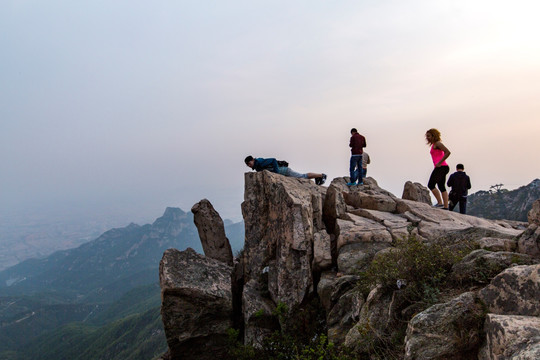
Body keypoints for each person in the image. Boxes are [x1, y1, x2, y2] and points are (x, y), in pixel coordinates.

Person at [244, 155, 327, 185]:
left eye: (249, 163)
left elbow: (273, 160)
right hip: (282, 173)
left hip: (285, 171)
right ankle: (318, 177)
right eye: (247, 164)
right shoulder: (257, 166)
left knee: (303, 177)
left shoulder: (260, 162)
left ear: (252, 160)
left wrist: (276, 174)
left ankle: (321, 175)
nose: (249, 165)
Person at [425, 128, 451, 209]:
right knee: (441, 186)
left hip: (441, 167)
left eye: (429, 136)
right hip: (442, 167)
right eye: (426, 136)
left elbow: (448, 152)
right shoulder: (434, 145)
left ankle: (440, 203)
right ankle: (446, 206)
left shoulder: (438, 144)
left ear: (433, 135)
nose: (427, 138)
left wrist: (440, 162)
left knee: (431, 184)